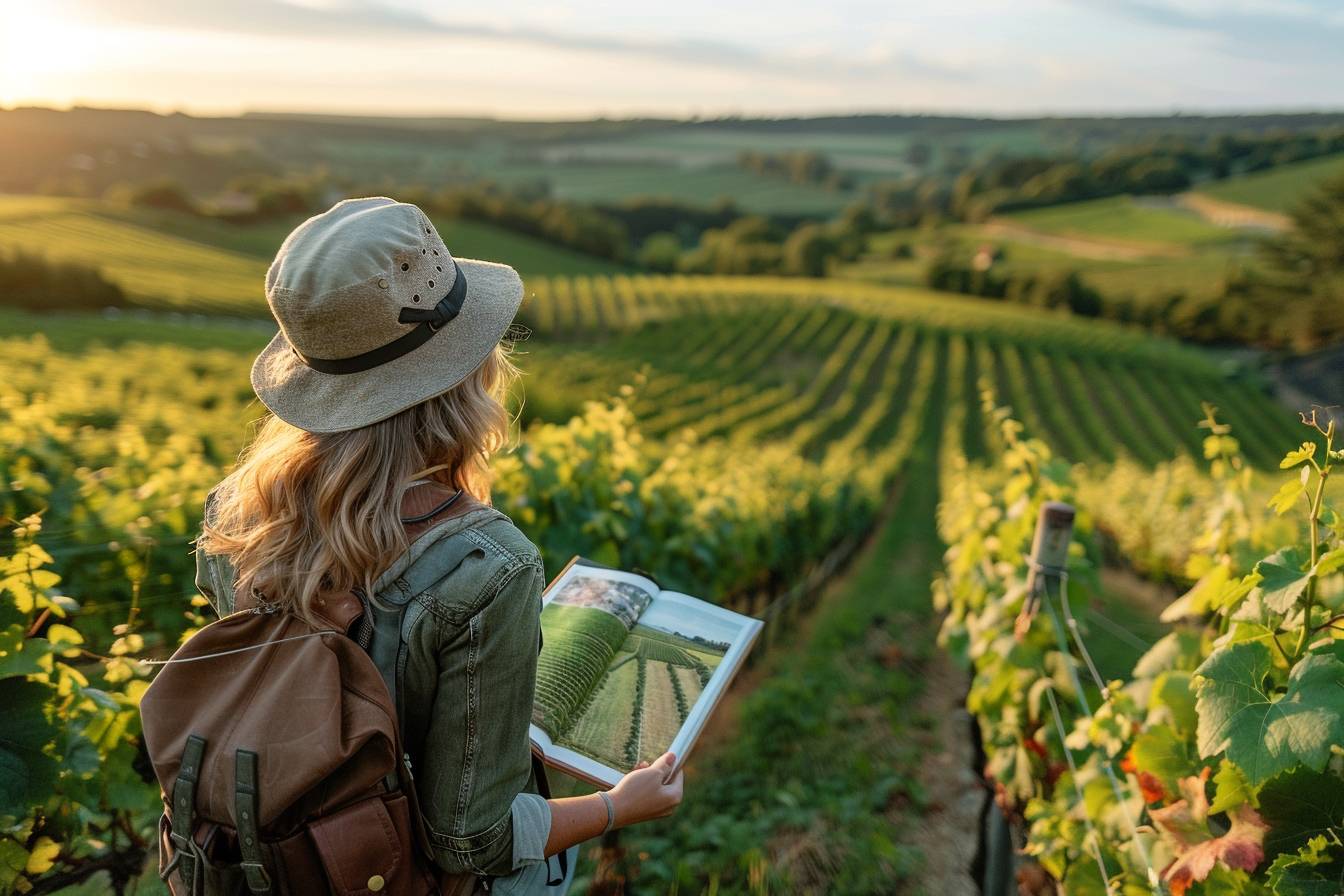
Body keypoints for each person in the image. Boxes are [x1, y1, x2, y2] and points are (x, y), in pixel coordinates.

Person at [191, 197, 683, 894]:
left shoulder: (237, 518)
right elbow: (469, 843)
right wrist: (616, 806)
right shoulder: (489, 566)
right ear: (467, 376)